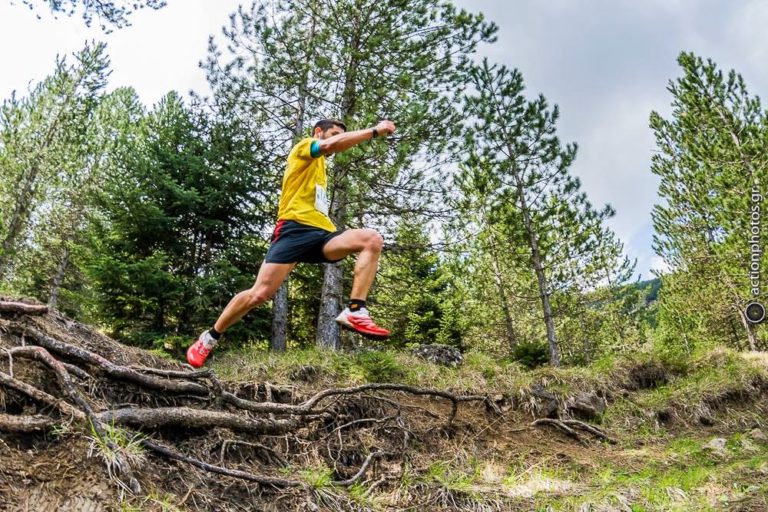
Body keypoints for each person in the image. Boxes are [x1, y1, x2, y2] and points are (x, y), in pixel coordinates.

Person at [186, 118, 396, 367]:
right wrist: (373, 131)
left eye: (339, 134)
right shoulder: (305, 147)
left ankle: (355, 310)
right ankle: (209, 338)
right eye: (333, 133)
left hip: (322, 234)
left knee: (371, 239)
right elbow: (328, 146)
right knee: (259, 294)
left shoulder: (320, 170)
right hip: (293, 231)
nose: (335, 138)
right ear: (319, 132)